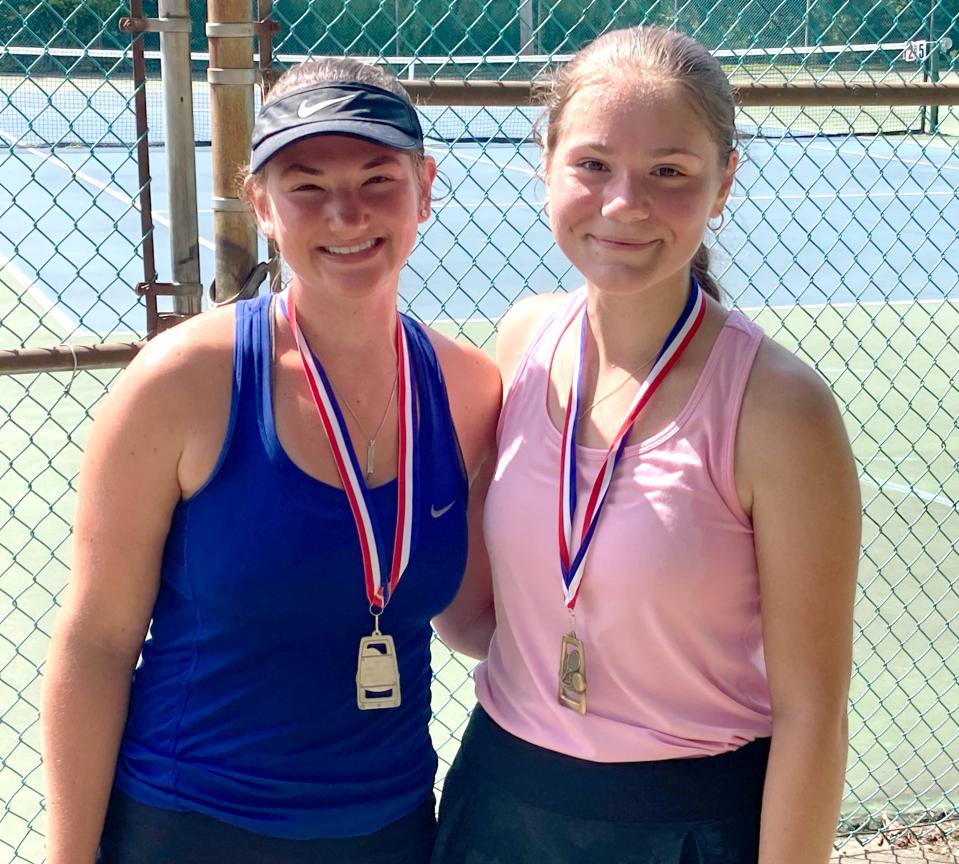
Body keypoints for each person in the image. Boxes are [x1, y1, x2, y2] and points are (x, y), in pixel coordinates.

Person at [41, 57, 500, 864]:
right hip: (191, 829)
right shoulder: (181, 382)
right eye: (306, 185)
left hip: (387, 831)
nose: (346, 213)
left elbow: (475, 617)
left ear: (425, 186)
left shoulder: (467, 389)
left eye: (377, 177)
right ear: (260, 203)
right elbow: (97, 642)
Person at [431, 25, 861, 864]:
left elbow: (814, 713)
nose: (624, 203)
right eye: (592, 164)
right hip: (499, 803)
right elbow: (481, 617)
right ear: (546, 163)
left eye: (668, 172)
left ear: (722, 183)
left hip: (690, 827)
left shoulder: (778, 407)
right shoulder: (521, 340)